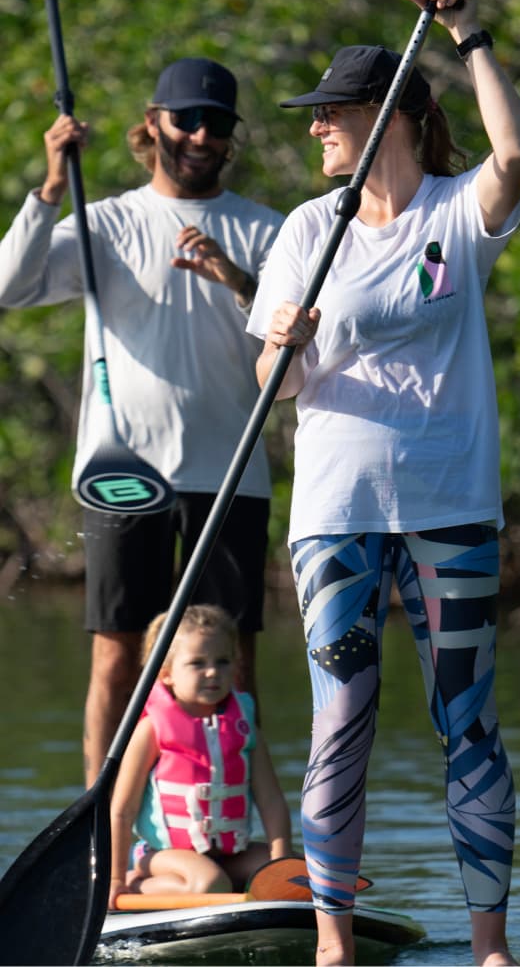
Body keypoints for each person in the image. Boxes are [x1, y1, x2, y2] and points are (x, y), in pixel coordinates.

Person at [247, 0, 520, 967]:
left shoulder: (456, 214)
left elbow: (517, 148)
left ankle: (489, 946)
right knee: (341, 725)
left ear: (390, 118)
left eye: (333, 111)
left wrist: (468, 34)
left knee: (469, 723)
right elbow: (273, 388)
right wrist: (282, 340)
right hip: (337, 512)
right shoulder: (302, 231)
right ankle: (332, 943)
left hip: (450, 502)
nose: (317, 126)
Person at [0, 57, 284, 788]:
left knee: (234, 660)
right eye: (185, 119)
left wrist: (238, 281)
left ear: (231, 137)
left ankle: (228, 821)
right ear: (152, 123)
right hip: (123, 474)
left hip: (230, 476)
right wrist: (52, 187)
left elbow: (296, 346)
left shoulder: (266, 230)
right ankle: (106, 827)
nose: (199, 135)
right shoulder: (107, 221)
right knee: (117, 654)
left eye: (216, 124)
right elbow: (10, 286)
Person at [108, 604, 292, 907]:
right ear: (167, 675)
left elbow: (271, 801)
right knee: (209, 883)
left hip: (229, 855)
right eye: (197, 663)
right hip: (164, 856)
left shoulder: (245, 728)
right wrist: (114, 879)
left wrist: (282, 862)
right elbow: (122, 810)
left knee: (298, 874)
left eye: (222, 661)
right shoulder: (151, 729)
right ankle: (137, 884)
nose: (212, 672)